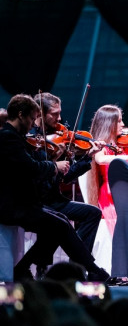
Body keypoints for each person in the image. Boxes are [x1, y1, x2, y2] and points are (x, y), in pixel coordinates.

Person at [0, 94, 110, 282]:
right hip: (14, 206)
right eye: (31, 118)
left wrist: (54, 163)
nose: (33, 124)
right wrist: (53, 165)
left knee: (58, 223)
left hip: (24, 203)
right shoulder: (8, 138)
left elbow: (34, 169)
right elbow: (31, 169)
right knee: (59, 224)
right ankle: (91, 269)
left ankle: (25, 269)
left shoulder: (16, 137)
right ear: (21, 115)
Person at [30, 92, 104, 260]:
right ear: (40, 112)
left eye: (60, 113)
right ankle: (82, 265)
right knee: (59, 221)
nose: (60, 118)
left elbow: (66, 177)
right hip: (37, 201)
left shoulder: (56, 139)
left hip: (55, 200)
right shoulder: (32, 140)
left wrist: (88, 157)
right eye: (55, 114)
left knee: (93, 213)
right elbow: (35, 176)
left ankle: (77, 265)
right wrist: (55, 161)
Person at [87, 104, 128, 235]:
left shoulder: (123, 144)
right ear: (109, 123)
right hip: (111, 193)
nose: (123, 124)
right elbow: (100, 159)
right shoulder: (101, 145)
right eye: (119, 121)